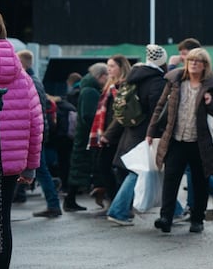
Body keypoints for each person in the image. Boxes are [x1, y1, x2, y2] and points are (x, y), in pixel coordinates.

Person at [0, 10, 43, 269]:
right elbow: (36, 121)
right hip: (10, 163)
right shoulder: (23, 75)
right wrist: (31, 166)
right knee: (2, 221)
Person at [147, 48, 213, 234]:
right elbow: (160, 106)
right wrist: (151, 131)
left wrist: (210, 103)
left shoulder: (212, 85)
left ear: (205, 66)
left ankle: (198, 219)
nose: (193, 64)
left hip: (200, 142)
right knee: (171, 179)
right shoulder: (175, 80)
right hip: (176, 139)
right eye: (191, 60)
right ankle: (166, 217)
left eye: (198, 61)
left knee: (200, 182)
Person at [105, 45, 167, 226]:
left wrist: (109, 133)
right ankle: (118, 210)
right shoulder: (157, 82)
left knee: (144, 170)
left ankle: (175, 210)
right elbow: (158, 110)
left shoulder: (133, 77)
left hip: (131, 131)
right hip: (147, 134)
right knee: (140, 170)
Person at [16, 50, 62, 218]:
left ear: (23, 63)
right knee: (35, 168)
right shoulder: (35, 81)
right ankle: (22, 195)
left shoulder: (29, 82)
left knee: (40, 170)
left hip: (36, 133)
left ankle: (53, 204)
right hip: (40, 132)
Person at [88, 54, 131, 210]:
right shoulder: (110, 86)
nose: (109, 69)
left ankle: (120, 203)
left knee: (117, 169)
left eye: (112, 66)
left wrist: (107, 134)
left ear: (121, 67)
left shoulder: (123, 86)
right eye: (108, 66)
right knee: (109, 167)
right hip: (108, 133)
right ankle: (118, 202)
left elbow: (120, 114)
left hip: (117, 135)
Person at [65, 62, 108, 211]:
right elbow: (88, 115)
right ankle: (70, 201)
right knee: (80, 167)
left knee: (79, 167)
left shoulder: (87, 88)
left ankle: (70, 200)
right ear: (101, 76)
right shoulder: (91, 91)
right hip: (87, 136)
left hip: (83, 135)